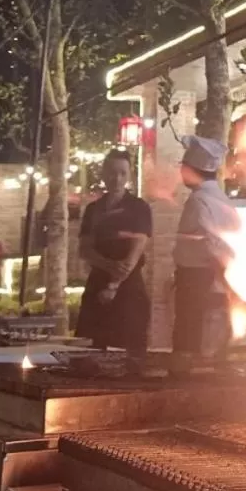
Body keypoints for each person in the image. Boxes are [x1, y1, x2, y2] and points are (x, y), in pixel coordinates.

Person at [75, 150, 153, 355]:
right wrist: (106, 265)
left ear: (129, 175)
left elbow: (133, 255)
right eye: (111, 172)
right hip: (96, 285)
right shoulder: (93, 209)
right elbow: (85, 249)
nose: (116, 179)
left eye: (122, 173)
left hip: (129, 289)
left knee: (129, 351)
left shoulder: (138, 208)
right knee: (90, 350)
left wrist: (113, 286)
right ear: (103, 174)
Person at [171, 136, 237, 356]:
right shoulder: (223, 200)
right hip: (216, 283)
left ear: (193, 169)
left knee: (190, 347)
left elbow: (211, 246)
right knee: (212, 347)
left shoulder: (199, 201)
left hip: (199, 282)